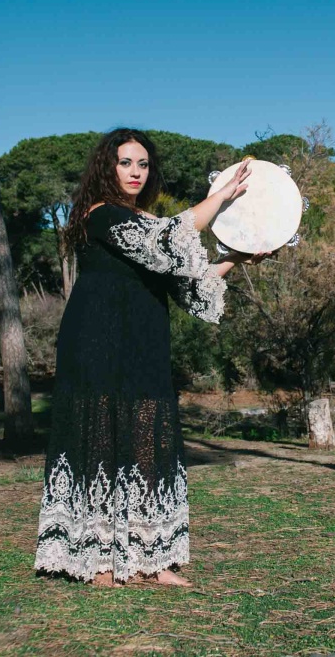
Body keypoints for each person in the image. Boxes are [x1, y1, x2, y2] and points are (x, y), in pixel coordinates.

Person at [33, 128, 259, 587]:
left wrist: (238, 254)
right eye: (125, 162)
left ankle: (150, 560)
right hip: (95, 340)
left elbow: (191, 283)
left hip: (142, 341)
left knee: (147, 442)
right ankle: (97, 560)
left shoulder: (148, 226)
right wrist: (221, 196)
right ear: (106, 166)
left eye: (143, 164)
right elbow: (167, 236)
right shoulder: (99, 215)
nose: (136, 172)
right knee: (98, 439)